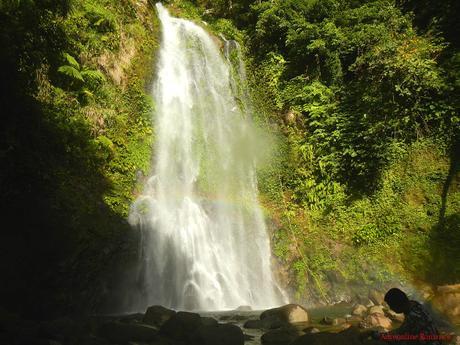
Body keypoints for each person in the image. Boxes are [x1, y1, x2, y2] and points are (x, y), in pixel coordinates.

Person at [370, 288, 441, 345]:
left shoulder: (413, 317)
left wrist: (377, 335)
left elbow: (398, 336)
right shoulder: (416, 305)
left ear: (397, 304)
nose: (391, 308)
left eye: (391, 305)